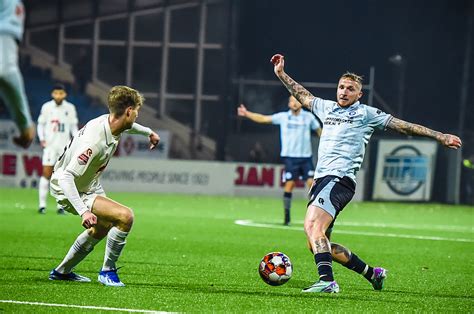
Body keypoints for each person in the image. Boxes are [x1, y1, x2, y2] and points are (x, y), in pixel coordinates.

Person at [270, 53, 462, 293]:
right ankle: (373, 274)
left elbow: (403, 126)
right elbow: (303, 95)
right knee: (316, 243)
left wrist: (439, 136)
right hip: (322, 181)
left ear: (359, 95)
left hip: (338, 179)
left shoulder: (366, 114)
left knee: (313, 228)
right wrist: (281, 74)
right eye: (341, 87)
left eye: (350, 89)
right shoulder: (326, 108)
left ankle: (327, 281)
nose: (344, 92)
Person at [48, 85, 160, 286]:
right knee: (125, 216)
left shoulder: (107, 122)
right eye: (136, 111)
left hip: (89, 183)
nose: (137, 115)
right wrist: (83, 211)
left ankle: (62, 271)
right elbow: (66, 177)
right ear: (128, 111)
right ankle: (107, 272)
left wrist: (148, 132)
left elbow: (129, 126)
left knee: (103, 226)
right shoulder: (95, 142)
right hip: (70, 187)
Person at [237, 96, 322, 225]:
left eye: (297, 101)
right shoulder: (283, 117)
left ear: (301, 104)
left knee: (312, 185)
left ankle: (314, 216)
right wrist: (247, 113)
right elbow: (264, 119)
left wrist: (327, 142)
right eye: (292, 101)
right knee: (289, 185)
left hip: (305, 158)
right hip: (289, 158)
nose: (294, 103)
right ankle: (287, 217)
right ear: (288, 104)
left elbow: (319, 130)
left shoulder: (308, 117)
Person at [37, 84, 78, 214]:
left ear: (64, 95)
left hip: (64, 147)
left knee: (62, 176)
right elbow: (40, 125)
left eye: (61, 93)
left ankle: (61, 206)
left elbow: (73, 127)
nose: (58, 96)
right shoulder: (46, 107)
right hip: (50, 146)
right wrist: (42, 138)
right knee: (46, 174)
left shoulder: (70, 108)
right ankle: (42, 205)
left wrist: (75, 141)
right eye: (56, 93)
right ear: (52, 94)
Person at [0, 0, 35, 148]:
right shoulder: (17, 4)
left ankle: (26, 126)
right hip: (9, 41)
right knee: (7, 81)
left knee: (7, 77)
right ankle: (26, 126)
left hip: (4, 38)